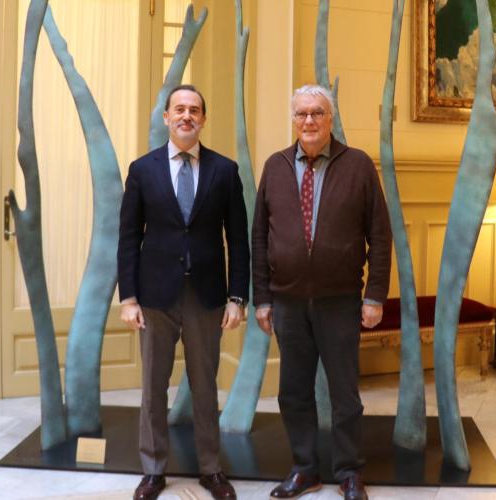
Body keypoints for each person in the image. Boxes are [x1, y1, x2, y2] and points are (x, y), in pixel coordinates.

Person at [252, 84, 391, 500]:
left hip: (340, 301)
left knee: (344, 393)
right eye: (301, 114)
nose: (309, 121)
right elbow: (259, 237)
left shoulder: (358, 165)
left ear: (331, 119)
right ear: (293, 120)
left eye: (317, 113)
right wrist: (263, 298)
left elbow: (379, 235)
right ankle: (304, 469)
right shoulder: (275, 166)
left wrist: (375, 296)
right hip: (288, 302)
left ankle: (349, 472)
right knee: (293, 392)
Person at [118, 84, 249, 500]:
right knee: (153, 386)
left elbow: (239, 240)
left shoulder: (225, 171)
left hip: (206, 296)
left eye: (194, 110)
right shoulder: (143, 170)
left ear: (203, 119)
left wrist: (237, 298)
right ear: (167, 117)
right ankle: (153, 470)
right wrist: (128, 298)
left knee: (205, 386)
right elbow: (128, 238)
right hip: (155, 296)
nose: (186, 116)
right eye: (179, 109)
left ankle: (211, 469)